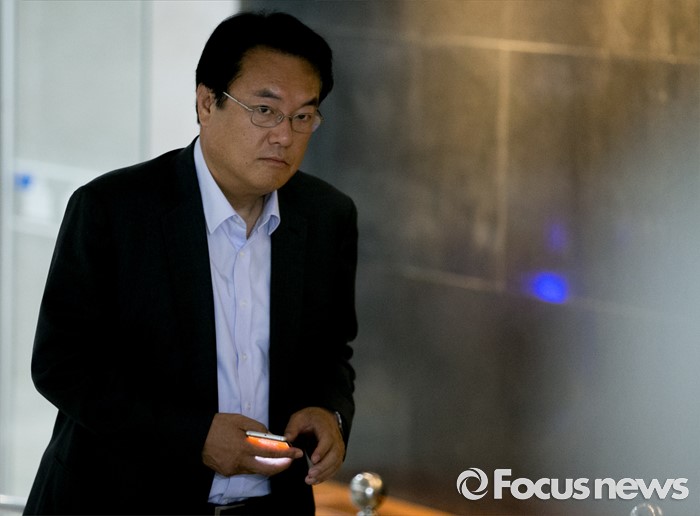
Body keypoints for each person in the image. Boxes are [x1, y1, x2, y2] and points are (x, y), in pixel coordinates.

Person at [24, 11, 357, 516]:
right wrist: (193, 435)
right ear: (206, 103)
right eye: (265, 110)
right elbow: (62, 365)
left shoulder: (327, 216)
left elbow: (332, 352)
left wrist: (329, 412)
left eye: (303, 116)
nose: (285, 136)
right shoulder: (114, 209)